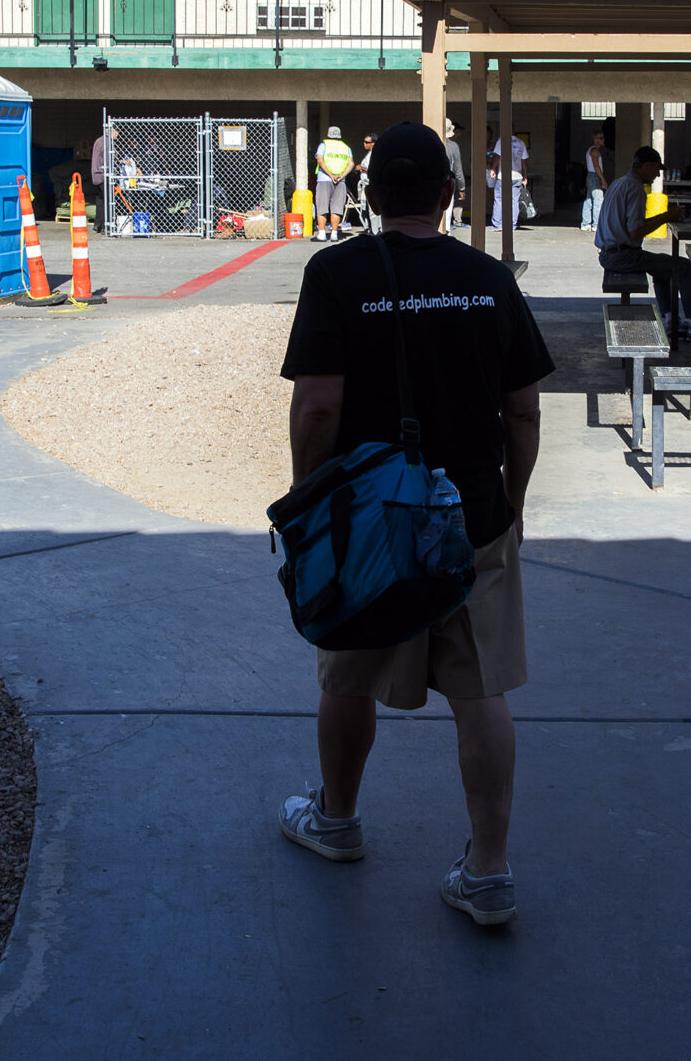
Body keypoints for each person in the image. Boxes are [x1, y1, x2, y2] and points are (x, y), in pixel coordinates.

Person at [277, 121, 553, 927]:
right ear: (447, 194)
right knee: (482, 689)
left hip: (367, 519)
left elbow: (317, 403)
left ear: (367, 193)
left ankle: (336, 819)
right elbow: (525, 412)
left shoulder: (335, 272)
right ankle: (490, 871)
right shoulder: (488, 278)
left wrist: (309, 505)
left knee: (348, 671)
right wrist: (518, 499)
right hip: (471, 510)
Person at [597, 145, 691, 340]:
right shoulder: (636, 189)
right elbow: (636, 233)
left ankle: (671, 319)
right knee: (687, 267)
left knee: (663, 267)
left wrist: (665, 215)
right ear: (645, 166)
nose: (656, 176)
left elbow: (635, 226)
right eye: (656, 170)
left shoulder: (620, 183)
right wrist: (666, 217)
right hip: (623, 256)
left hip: (609, 253)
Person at [314, 126, 355, 242]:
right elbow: (351, 164)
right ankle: (334, 234)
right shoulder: (346, 148)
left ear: (328, 135)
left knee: (322, 206)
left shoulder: (323, 146)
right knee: (336, 208)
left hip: (324, 179)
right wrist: (341, 176)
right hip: (340, 181)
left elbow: (320, 161)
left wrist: (330, 175)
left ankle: (322, 234)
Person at [579, 128, 610, 233]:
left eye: (603, 138)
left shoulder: (592, 150)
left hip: (591, 176)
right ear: (596, 139)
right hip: (594, 176)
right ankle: (596, 224)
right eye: (601, 138)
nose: (603, 140)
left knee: (589, 200)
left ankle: (586, 223)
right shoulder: (594, 150)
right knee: (598, 200)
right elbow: (596, 166)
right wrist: (603, 179)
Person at [352, 133, 378, 235]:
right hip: (365, 185)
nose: (364, 144)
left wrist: (361, 168)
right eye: (364, 142)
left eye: (367, 142)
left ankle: (376, 231)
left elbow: (373, 170)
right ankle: (370, 228)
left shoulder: (375, 155)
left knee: (373, 210)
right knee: (366, 209)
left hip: (371, 184)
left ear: (373, 143)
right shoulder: (369, 154)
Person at [442, 120, 466, 232]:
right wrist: (462, 187)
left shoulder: (429, 142)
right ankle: (446, 231)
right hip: (447, 179)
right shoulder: (453, 146)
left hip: (429, 181)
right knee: (447, 208)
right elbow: (458, 169)